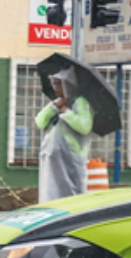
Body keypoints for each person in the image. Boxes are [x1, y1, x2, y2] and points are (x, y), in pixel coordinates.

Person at [35, 68, 93, 202]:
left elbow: (84, 127)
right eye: (55, 83)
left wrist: (67, 112)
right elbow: (40, 122)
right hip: (51, 159)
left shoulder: (80, 103)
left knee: (71, 196)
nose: (56, 87)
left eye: (59, 83)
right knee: (50, 195)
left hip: (70, 160)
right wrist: (54, 107)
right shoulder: (56, 102)